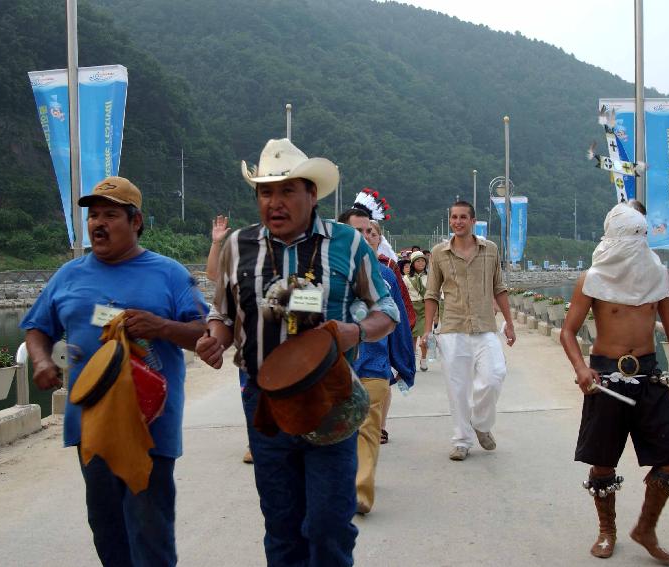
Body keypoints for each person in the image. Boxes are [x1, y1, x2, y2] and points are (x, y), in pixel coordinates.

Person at [195, 138, 399, 566]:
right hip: (265, 404)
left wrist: (353, 332)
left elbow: (387, 311)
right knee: (282, 526)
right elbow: (224, 314)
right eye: (266, 192)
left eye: (287, 190)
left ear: (312, 194)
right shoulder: (237, 245)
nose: (275, 202)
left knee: (329, 525)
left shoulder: (348, 244)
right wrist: (214, 336)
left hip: (332, 399)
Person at [21, 176, 208, 567]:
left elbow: (204, 334)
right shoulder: (69, 275)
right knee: (107, 531)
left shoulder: (169, 274)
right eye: (92, 216)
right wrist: (40, 360)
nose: (97, 224)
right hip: (90, 427)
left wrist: (161, 327)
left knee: (149, 533)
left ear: (136, 221)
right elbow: (37, 326)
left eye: (110, 215)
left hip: (149, 428)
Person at [560, 201, 669, 563]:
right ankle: (607, 531)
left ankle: (646, 529)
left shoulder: (658, 276)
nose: (638, 243)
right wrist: (581, 368)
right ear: (616, 238)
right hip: (606, 376)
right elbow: (568, 332)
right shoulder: (592, 278)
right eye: (631, 235)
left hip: (650, 375)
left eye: (642, 236)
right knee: (603, 462)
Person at [423, 201, 516, 461]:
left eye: (463, 217)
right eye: (454, 217)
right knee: (457, 388)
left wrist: (509, 322)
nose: (458, 221)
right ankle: (462, 440)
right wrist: (428, 331)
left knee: (495, 375)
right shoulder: (439, 253)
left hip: (485, 326)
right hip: (452, 328)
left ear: (473, 221)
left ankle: (481, 423)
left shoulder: (490, 250)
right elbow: (431, 294)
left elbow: (499, 287)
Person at [337, 208, 415, 513]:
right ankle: (345, 477)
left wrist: (402, 365)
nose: (363, 237)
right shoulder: (323, 274)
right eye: (355, 232)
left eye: (369, 231)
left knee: (368, 426)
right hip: (334, 368)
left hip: (373, 365)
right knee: (341, 431)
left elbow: (399, 325)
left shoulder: (385, 275)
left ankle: (360, 490)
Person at [206, 214, 254, 465]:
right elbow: (214, 274)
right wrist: (217, 243)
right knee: (251, 395)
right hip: (250, 350)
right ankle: (255, 441)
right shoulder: (243, 265)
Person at [404, 250, 431, 370]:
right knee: (413, 337)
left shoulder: (430, 277)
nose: (421, 263)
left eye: (423, 261)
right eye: (418, 261)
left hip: (425, 308)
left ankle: (423, 359)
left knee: (425, 337)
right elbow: (404, 295)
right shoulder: (406, 279)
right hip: (412, 309)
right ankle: (412, 360)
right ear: (413, 263)